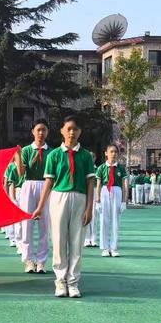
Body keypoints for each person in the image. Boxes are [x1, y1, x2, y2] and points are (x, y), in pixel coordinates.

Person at [32, 116, 95, 298]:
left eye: (75, 129)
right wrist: (40, 207)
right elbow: (48, 183)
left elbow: (90, 183)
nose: (72, 132)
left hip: (80, 198)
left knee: (76, 243)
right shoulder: (54, 155)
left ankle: (73, 282)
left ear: (80, 132)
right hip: (58, 198)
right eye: (68, 129)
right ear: (61, 131)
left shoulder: (85, 156)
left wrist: (89, 208)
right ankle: (60, 281)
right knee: (59, 241)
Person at [14, 119, 52, 274]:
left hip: (46, 186)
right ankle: (28, 260)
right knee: (26, 225)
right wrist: (18, 156)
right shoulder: (26, 151)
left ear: (47, 132)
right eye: (38, 130)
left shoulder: (52, 152)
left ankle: (41, 261)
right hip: (28, 186)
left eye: (44, 130)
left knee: (44, 226)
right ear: (33, 132)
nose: (41, 133)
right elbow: (20, 173)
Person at [96, 144, 128, 257]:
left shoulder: (121, 168)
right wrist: (98, 200)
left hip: (117, 190)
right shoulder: (101, 168)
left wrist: (124, 201)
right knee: (104, 220)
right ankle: (105, 248)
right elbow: (98, 185)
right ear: (106, 153)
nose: (114, 154)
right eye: (111, 151)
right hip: (105, 190)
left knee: (115, 220)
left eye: (115, 152)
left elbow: (124, 186)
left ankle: (113, 247)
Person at [3, 160, 24, 249]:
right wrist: (7, 195)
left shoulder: (26, 166)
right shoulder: (11, 166)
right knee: (13, 217)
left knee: (22, 219)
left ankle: (21, 240)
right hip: (16, 191)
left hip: (25, 191)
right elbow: (7, 182)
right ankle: (12, 238)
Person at [84, 151, 98, 247]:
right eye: (89, 157)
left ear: (95, 158)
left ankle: (93, 238)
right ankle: (86, 238)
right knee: (85, 214)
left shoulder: (98, 169)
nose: (91, 158)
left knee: (94, 215)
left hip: (95, 191)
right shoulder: (83, 168)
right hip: (85, 191)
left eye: (92, 157)